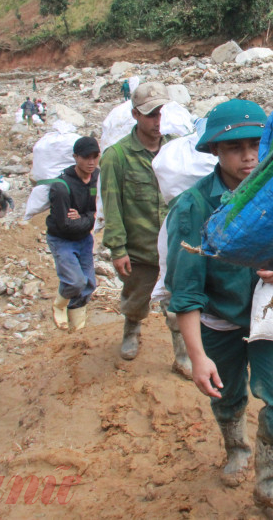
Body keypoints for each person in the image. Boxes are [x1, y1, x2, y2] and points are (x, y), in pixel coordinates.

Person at [166, 100, 273, 515]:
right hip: (219, 321)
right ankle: (236, 447)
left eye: (256, 144)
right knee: (225, 395)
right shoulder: (195, 207)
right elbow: (186, 289)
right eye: (234, 148)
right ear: (214, 152)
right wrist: (196, 356)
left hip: (271, 317)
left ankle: (270, 483)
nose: (248, 156)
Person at [99, 81, 191, 375]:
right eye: (151, 114)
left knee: (178, 304)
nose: (157, 121)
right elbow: (111, 206)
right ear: (136, 115)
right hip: (139, 249)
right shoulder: (117, 157)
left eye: (162, 112)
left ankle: (183, 355)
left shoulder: (177, 149)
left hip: (175, 246)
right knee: (137, 298)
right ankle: (131, 330)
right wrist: (117, 248)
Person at [47, 136, 101, 332]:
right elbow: (65, 225)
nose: (91, 162)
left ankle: (76, 317)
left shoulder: (97, 178)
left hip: (84, 238)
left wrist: (84, 218)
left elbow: (99, 210)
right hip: (62, 240)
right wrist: (91, 217)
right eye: (86, 157)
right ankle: (60, 304)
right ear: (75, 157)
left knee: (89, 283)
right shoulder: (61, 187)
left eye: (95, 157)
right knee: (75, 281)